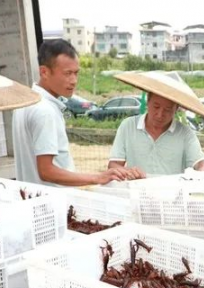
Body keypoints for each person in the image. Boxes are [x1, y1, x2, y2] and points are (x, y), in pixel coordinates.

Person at [12, 39, 142, 186]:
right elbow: (46, 171)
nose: (74, 80)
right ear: (44, 72)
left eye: (76, 73)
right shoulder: (45, 111)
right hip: (53, 203)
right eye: (67, 73)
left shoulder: (25, 103)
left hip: (33, 198)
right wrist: (97, 178)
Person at [108, 71, 204, 175]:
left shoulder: (185, 133)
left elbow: (200, 161)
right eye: (156, 107)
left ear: (176, 109)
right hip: (137, 189)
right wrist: (129, 172)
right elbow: (114, 165)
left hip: (171, 190)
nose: (160, 114)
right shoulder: (128, 126)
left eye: (167, 109)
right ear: (148, 102)